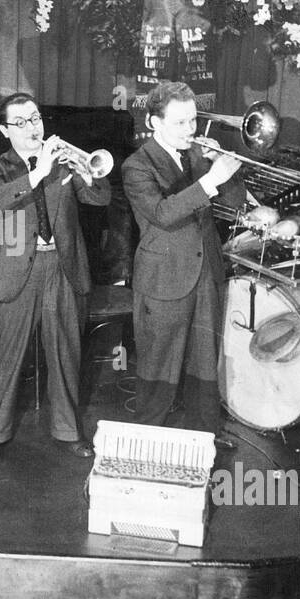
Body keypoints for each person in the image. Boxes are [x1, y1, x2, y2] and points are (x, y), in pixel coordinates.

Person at [0, 93, 111, 460]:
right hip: (18, 270)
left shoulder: (64, 163)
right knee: (7, 358)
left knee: (66, 353)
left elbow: (100, 200)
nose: (31, 127)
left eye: (35, 119)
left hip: (63, 268)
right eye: (20, 122)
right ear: (6, 130)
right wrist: (37, 172)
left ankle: (68, 430)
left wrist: (87, 174)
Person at [122, 81, 246, 432]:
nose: (190, 130)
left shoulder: (197, 155)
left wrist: (227, 169)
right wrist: (210, 181)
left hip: (205, 273)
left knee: (205, 365)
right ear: (154, 123)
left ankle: (205, 438)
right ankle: (147, 438)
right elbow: (162, 213)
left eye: (193, 120)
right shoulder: (137, 165)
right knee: (158, 368)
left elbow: (234, 205)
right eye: (180, 123)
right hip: (164, 279)